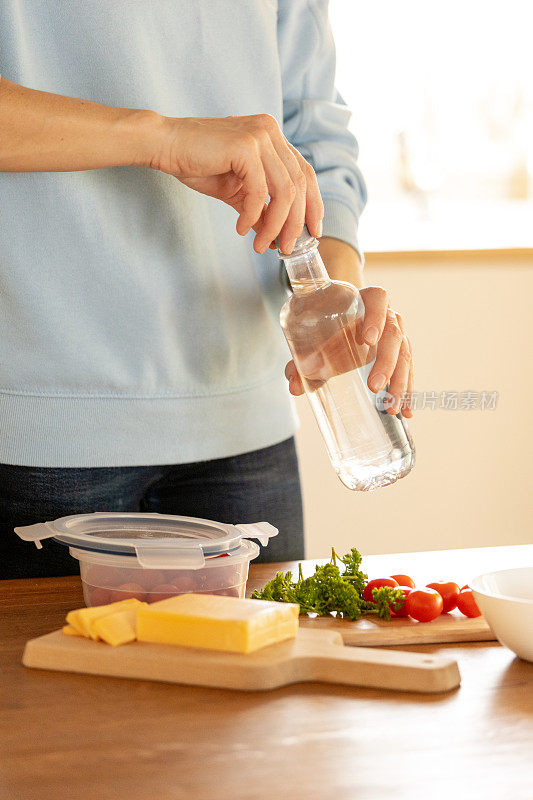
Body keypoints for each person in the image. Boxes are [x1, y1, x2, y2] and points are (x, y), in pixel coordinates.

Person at [0, 1, 413, 579]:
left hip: (246, 429)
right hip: (35, 427)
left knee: (263, 665)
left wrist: (335, 291)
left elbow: (312, 127)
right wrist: (160, 138)